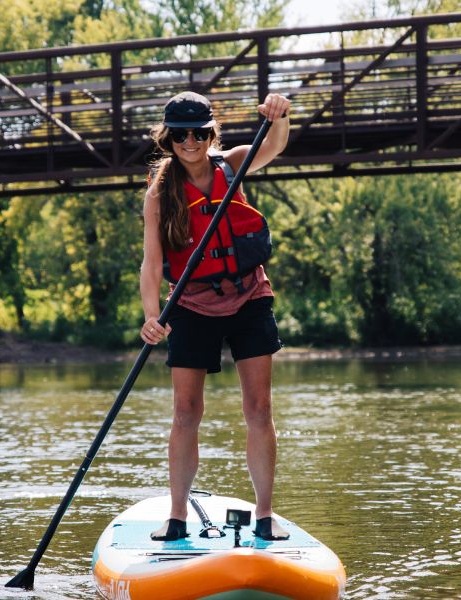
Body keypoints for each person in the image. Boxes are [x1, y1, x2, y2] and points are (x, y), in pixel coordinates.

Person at [138, 91, 292, 542]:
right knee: (186, 413)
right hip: (190, 306)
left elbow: (275, 145)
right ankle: (177, 516)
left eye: (200, 132)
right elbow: (150, 264)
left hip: (249, 297)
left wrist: (279, 116)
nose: (191, 142)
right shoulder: (158, 195)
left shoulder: (234, 163)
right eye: (180, 134)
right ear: (168, 139)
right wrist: (151, 316)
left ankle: (265, 514)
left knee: (259, 409)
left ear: (211, 133)